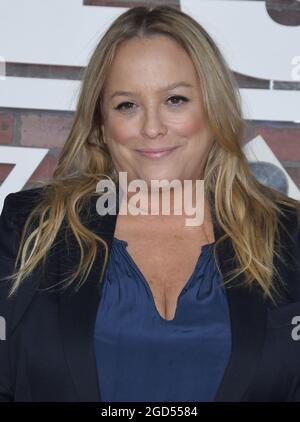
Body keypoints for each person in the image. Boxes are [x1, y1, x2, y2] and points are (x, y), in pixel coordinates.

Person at [0, 5, 300, 403]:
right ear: (101, 124)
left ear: (213, 109)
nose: (152, 127)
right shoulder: (31, 228)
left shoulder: (288, 235)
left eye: (175, 100)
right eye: (127, 104)